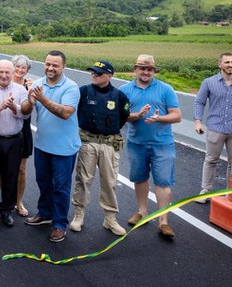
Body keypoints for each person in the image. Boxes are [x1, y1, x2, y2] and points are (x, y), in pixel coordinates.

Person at [21, 50, 80, 243]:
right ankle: (44, 213)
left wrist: (42, 98)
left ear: (63, 67)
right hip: (42, 145)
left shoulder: (71, 88)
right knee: (43, 182)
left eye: (55, 65)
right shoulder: (38, 84)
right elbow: (26, 109)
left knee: (61, 187)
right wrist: (30, 102)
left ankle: (59, 224)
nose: (50, 68)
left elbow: (65, 113)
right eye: (47, 64)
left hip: (64, 148)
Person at [121, 54, 182, 238]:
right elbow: (122, 116)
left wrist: (159, 118)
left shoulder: (166, 89)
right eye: (142, 68)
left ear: (154, 71)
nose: (146, 72)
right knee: (139, 178)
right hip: (136, 142)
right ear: (135, 69)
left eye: (150, 69)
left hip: (162, 143)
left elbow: (177, 115)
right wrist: (137, 115)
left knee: (163, 181)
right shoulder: (124, 90)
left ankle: (163, 221)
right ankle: (142, 211)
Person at [68, 60, 131, 236]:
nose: (94, 75)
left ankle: (110, 218)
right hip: (88, 142)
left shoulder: (119, 96)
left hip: (109, 144)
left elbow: (124, 117)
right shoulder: (83, 92)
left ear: (110, 75)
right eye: (93, 72)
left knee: (110, 182)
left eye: (98, 73)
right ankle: (79, 214)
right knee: (83, 179)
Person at [0, 59, 30, 228]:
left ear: (12, 73)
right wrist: (0, 107)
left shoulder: (20, 90)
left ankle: (6, 210)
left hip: (14, 140)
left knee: (11, 176)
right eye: (0, 72)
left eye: (7, 72)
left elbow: (25, 115)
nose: (3, 75)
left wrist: (13, 107)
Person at [193, 52, 232, 202]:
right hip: (215, 128)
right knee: (211, 160)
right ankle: (205, 191)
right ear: (220, 64)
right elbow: (199, 102)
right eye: (227, 62)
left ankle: (230, 193)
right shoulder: (209, 82)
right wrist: (197, 121)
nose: (230, 65)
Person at [11, 54, 34, 217]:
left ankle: (19, 202)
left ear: (27, 71)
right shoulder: (5, 82)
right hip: (5, 128)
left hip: (24, 129)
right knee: (2, 169)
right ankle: (6, 200)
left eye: (23, 67)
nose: (19, 70)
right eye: (17, 66)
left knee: (21, 169)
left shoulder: (29, 86)